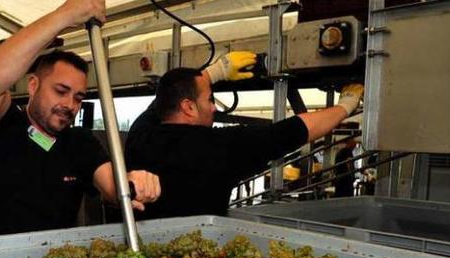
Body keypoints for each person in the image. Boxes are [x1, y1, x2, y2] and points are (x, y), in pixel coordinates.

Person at [0, 0, 161, 239]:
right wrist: (66, 14)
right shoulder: (1, 123)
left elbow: (114, 188)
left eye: (78, 97)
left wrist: (134, 183)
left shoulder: (80, 144)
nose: (69, 104)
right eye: (60, 91)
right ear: (33, 85)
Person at [125, 64, 364, 219]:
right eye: (210, 99)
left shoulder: (139, 136)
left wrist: (216, 71)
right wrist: (345, 106)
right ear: (188, 107)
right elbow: (293, 131)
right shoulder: (221, 146)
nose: (213, 107)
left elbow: (157, 106)